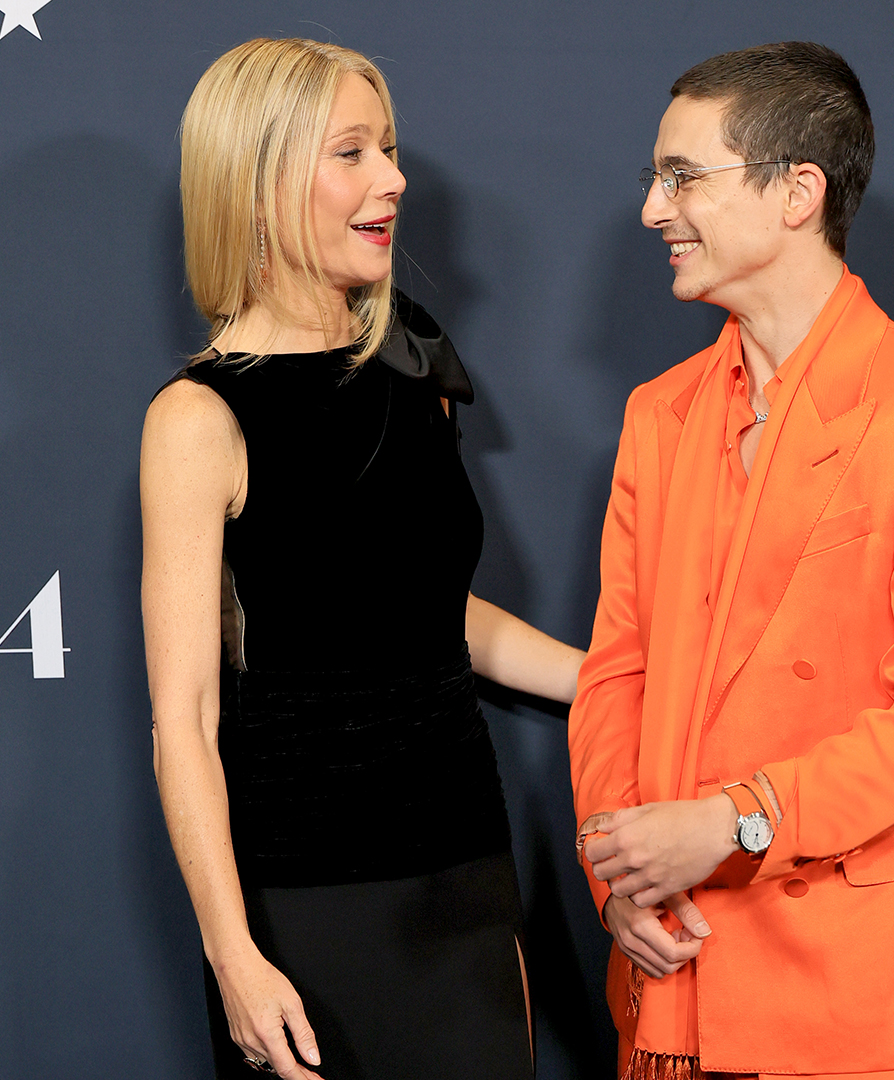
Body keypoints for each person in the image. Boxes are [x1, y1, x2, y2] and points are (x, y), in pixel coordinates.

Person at [141, 37, 583, 1080]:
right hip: (305, 902)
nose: (393, 179)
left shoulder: (413, 378)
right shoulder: (200, 417)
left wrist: (617, 676)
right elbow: (185, 719)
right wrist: (234, 955)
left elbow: (435, 616)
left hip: (465, 873)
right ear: (255, 185)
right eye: (351, 152)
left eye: (388, 148)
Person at [569, 41, 894, 1080]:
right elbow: (615, 671)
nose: (652, 211)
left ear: (796, 193)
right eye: (654, 179)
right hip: (666, 972)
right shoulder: (659, 416)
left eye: (683, 177)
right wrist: (618, 874)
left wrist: (735, 821)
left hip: (837, 991)